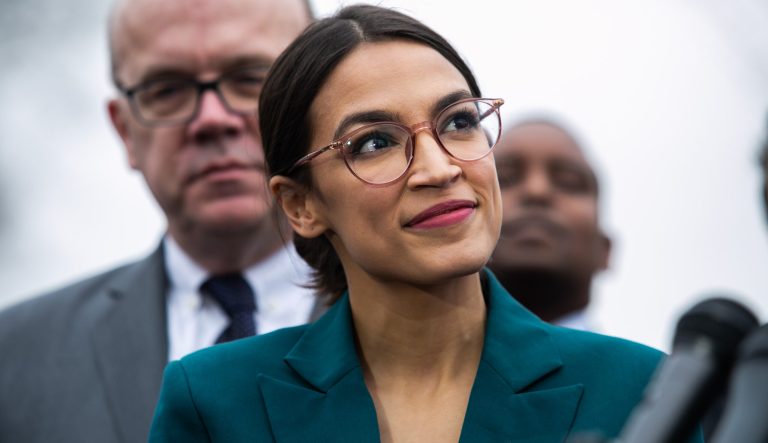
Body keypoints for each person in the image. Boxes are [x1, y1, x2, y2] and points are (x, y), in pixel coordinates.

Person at [149, 5, 701, 442]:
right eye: (375, 143)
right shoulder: (214, 401)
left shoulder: (640, 391)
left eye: (459, 122)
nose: (439, 169)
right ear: (300, 205)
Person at [0, 0, 318, 442]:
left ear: (321, 102)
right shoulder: (14, 360)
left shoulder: (431, 329)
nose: (212, 119)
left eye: (251, 79)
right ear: (125, 131)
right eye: (166, 90)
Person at [488, 118, 611, 329]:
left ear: (605, 250)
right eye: (506, 177)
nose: (537, 190)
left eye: (568, 181)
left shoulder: (657, 363)